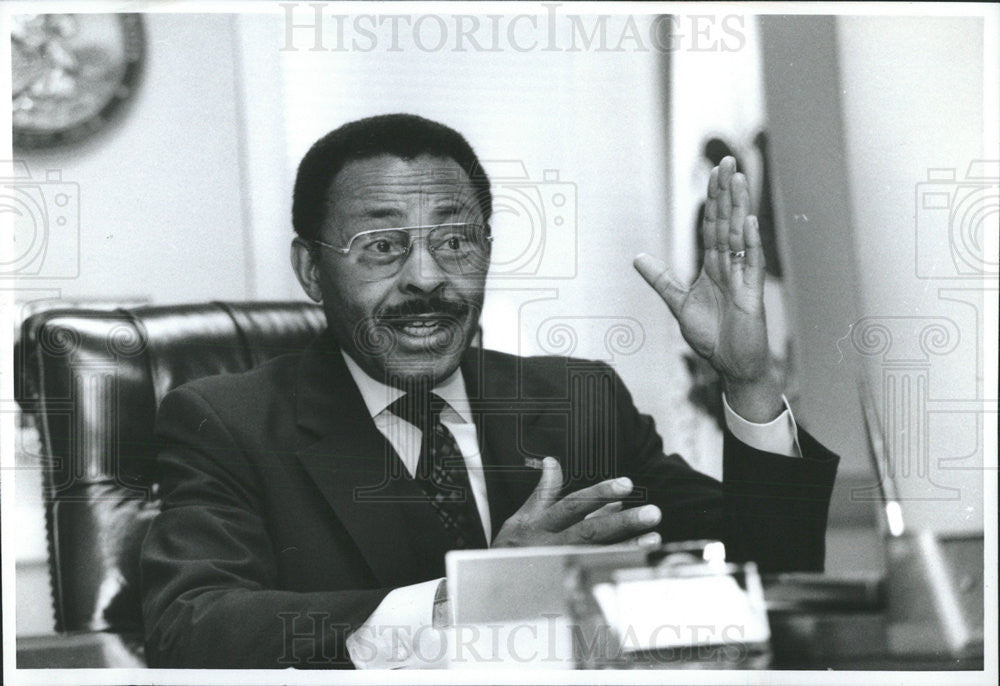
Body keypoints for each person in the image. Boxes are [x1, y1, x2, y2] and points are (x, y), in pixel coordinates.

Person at [140, 114, 839, 669]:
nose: (426, 278)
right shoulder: (226, 423)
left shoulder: (576, 400)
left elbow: (771, 573)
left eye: (455, 241)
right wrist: (468, 600)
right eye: (382, 246)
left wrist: (747, 378)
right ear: (311, 270)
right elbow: (190, 629)